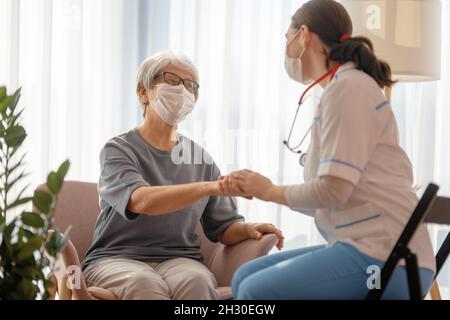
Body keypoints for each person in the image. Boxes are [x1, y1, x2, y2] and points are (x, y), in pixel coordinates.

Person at [224, 0, 436, 300]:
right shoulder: (340, 89)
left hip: (388, 258)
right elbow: (329, 200)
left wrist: (270, 190)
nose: (285, 47)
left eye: (287, 37)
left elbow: (334, 191)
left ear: (304, 35)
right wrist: (260, 187)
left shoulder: (348, 89)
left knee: (253, 290)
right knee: (244, 275)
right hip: (371, 247)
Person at [81, 51, 284, 300]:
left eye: (190, 86)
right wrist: (210, 187)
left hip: (180, 259)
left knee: (197, 282)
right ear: (143, 92)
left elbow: (223, 228)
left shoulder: (200, 158)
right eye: (172, 81)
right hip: (117, 257)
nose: (183, 91)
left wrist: (247, 228)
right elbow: (141, 201)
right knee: (144, 284)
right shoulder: (119, 149)